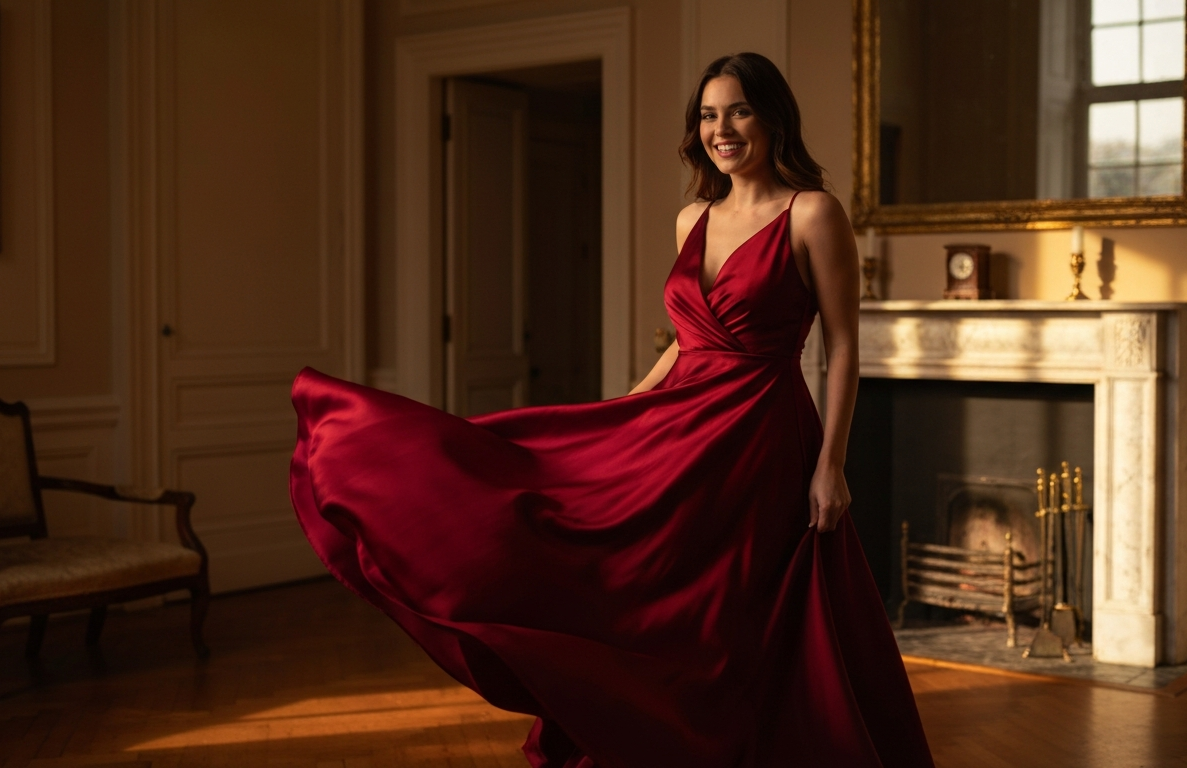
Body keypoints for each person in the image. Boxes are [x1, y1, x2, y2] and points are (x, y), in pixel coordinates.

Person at [291, 52, 934, 767]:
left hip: (763, 437)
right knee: (656, 590)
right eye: (708, 115)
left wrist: (831, 466)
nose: (722, 129)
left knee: (738, 608)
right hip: (679, 428)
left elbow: (845, 346)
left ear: (773, 117)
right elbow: (689, 341)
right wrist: (621, 411)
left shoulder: (811, 211)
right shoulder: (693, 216)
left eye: (739, 110)